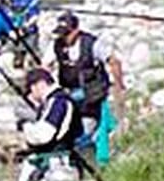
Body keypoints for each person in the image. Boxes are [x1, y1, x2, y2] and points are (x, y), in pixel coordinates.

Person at [51, 11, 125, 158]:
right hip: (71, 93)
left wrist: (119, 86)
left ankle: (94, 153)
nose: (64, 38)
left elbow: (114, 62)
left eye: (67, 34)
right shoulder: (58, 45)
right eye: (61, 34)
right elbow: (46, 65)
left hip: (93, 95)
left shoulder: (92, 44)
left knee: (89, 129)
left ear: (76, 31)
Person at [17, 68, 82, 181]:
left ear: (39, 84)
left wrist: (25, 126)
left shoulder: (58, 102)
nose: (31, 95)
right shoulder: (55, 101)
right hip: (56, 161)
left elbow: (44, 134)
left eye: (30, 89)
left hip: (57, 163)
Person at [6, 0, 40, 69]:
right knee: (16, 57)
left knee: (30, 59)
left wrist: (25, 26)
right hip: (14, 31)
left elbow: (35, 15)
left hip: (28, 31)